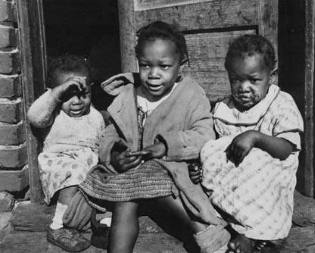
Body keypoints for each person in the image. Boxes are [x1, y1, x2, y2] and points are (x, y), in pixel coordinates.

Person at [77, 21, 230, 253]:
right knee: (125, 196)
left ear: (181, 66)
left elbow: (204, 134)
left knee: (150, 178)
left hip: (171, 175)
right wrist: (116, 153)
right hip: (131, 177)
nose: (154, 75)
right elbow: (111, 133)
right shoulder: (128, 95)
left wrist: (164, 147)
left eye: (164, 66)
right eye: (146, 66)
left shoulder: (190, 95)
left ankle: (208, 231)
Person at [192, 34, 303, 253]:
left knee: (257, 160)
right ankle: (235, 230)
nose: (243, 87)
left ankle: (253, 235)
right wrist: (202, 164)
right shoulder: (224, 108)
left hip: (266, 182)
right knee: (210, 153)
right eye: (236, 79)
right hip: (233, 182)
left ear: (271, 76)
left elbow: (286, 150)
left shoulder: (280, 103)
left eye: (253, 80)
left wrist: (256, 137)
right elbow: (215, 146)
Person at [27, 54, 105, 252]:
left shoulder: (94, 115)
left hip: (86, 165)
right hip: (60, 164)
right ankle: (57, 226)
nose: (77, 102)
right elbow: (35, 117)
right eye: (68, 96)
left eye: (83, 94)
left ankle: (99, 222)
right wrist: (55, 94)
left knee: (106, 172)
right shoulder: (54, 113)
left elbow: (101, 141)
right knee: (76, 171)